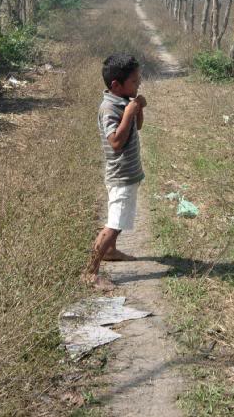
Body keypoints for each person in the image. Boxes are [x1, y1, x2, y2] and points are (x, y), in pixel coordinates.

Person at [82, 53, 146, 290]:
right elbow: (116, 142)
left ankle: (109, 251)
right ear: (116, 85)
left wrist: (137, 109)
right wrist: (129, 112)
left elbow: (137, 127)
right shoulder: (109, 108)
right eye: (134, 81)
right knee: (113, 223)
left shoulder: (123, 100)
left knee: (120, 219)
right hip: (120, 175)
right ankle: (89, 272)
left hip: (129, 174)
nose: (138, 84)